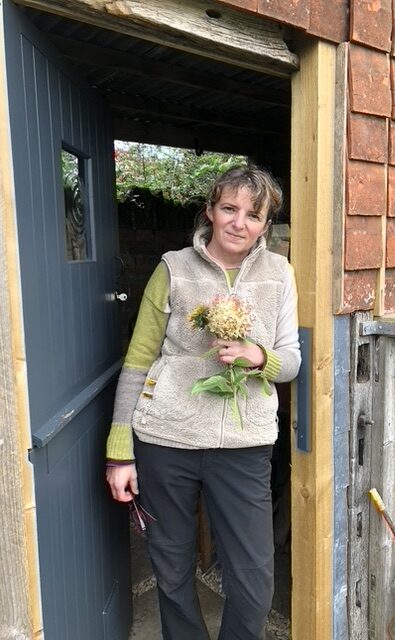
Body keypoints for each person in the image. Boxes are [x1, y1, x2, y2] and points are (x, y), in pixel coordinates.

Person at [106, 165, 301, 640]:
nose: (239, 222)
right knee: (171, 567)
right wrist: (119, 449)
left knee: (254, 580)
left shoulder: (279, 273)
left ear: (265, 223)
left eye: (253, 215)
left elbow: (293, 360)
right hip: (166, 439)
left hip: (244, 445)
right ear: (211, 211)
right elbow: (138, 359)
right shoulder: (173, 268)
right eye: (229, 209)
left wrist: (260, 358)